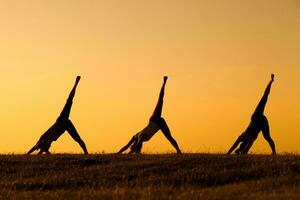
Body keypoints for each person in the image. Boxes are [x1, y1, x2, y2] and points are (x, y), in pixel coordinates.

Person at [118, 76, 182, 154]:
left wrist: (130, 152)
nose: (131, 146)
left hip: (154, 119)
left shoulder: (138, 136)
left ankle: (164, 83)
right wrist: (118, 153)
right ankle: (179, 151)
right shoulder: (137, 138)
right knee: (169, 137)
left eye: (132, 147)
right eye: (133, 147)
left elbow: (135, 144)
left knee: (160, 100)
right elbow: (126, 146)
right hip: (160, 123)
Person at [27, 76, 88, 155]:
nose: (49, 147)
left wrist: (32, 153)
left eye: (47, 147)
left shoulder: (45, 138)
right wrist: (28, 154)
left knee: (69, 100)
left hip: (62, 119)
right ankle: (86, 153)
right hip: (66, 124)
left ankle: (76, 83)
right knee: (78, 139)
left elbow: (36, 147)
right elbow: (36, 148)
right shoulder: (47, 140)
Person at [227, 74, 276, 155]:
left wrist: (229, 154)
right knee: (267, 137)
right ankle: (274, 152)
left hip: (258, 119)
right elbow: (235, 146)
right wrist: (230, 153)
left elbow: (236, 147)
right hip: (260, 121)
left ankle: (274, 152)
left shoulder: (244, 137)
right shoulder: (246, 139)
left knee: (267, 137)